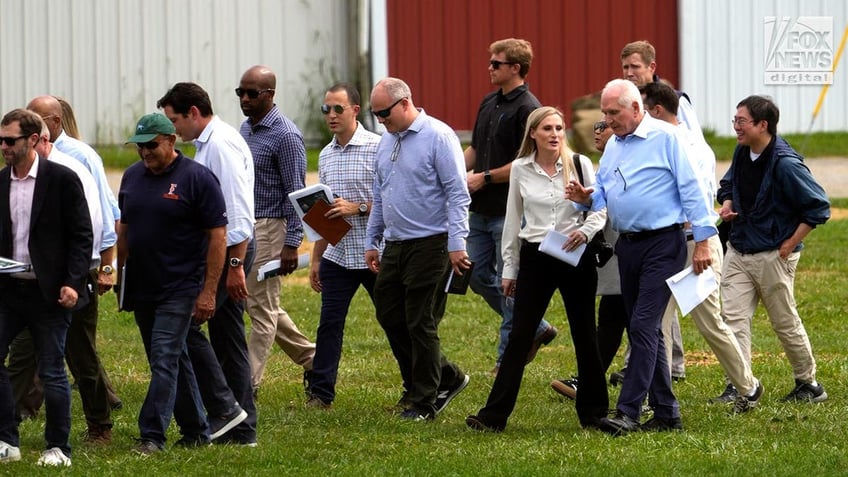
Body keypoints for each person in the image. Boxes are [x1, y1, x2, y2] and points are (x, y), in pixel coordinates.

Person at [566, 79, 717, 435]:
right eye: (604, 112)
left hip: (663, 243)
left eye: (613, 112)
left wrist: (706, 242)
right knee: (645, 329)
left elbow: (692, 189)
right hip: (628, 247)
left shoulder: (666, 138)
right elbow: (604, 191)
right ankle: (667, 413)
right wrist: (587, 197)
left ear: (636, 109)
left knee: (643, 325)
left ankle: (628, 411)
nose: (606, 120)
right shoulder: (614, 145)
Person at [465, 107, 609, 432]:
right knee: (519, 336)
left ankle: (595, 414)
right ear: (533, 133)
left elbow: (601, 211)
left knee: (585, 334)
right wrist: (509, 270)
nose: (555, 134)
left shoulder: (580, 165)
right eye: (547, 128)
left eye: (559, 128)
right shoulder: (520, 168)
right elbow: (513, 221)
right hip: (536, 256)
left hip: (576, 255)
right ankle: (493, 417)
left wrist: (584, 232)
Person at [642, 82, 763, 413]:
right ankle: (659, 399)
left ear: (655, 111)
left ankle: (748, 386)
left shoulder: (687, 145)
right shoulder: (658, 141)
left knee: (709, 321)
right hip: (666, 243)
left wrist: (703, 245)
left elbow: (695, 199)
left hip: (697, 242)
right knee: (658, 324)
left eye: (641, 110)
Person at [10, 95, 120, 442]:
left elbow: (93, 226)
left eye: (22, 142)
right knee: (21, 354)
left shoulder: (73, 169)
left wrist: (97, 269)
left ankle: (99, 423)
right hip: (27, 280)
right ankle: (6, 422)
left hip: (71, 277)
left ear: (42, 139)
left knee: (79, 353)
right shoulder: (17, 177)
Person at [118, 113, 226, 454]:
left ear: (171, 140)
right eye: (139, 147)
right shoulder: (132, 177)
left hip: (181, 286)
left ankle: (152, 435)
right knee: (172, 358)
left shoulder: (197, 179)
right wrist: (117, 272)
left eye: (151, 146)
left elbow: (218, 237)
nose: (145, 153)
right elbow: (124, 228)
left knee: (164, 358)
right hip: (142, 284)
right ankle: (196, 430)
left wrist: (208, 291)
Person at [364, 77, 470, 421]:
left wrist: (457, 243)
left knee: (420, 321)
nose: (381, 120)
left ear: (405, 103)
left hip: (433, 242)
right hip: (396, 243)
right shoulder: (387, 141)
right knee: (389, 314)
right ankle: (446, 377)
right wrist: (372, 239)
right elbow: (380, 195)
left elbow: (457, 193)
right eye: (375, 114)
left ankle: (424, 399)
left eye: (384, 112)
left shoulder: (438, 136)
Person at [157, 83, 257, 445]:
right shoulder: (208, 144)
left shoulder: (221, 145)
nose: (172, 130)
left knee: (216, 335)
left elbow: (239, 216)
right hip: (225, 251)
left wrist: (234, 266)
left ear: (194, 113)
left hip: (232, 250)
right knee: (223, 336)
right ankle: (234, 421)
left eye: (174, 120)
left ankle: (235, 419)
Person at [717, 95, 830, 403]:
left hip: (773, 255)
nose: (736, 127)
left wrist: (789, 244)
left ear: (762, 125)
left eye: (741, 121)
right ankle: (740, 385)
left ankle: (809, 384)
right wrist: (727, 204)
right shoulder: (742, 153)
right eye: (735, 121)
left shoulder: (785, 163)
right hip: (738, 250)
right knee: (733, 320)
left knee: (784, 321)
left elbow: (818, 208)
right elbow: (727, 186)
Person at [0, 108, 93, 466]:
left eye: (11, 141)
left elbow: (81, 237)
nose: (4, 147)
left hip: (51, 293)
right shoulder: (1, 182)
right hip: (10, 290)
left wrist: (72, 282)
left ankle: (58, 448)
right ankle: (7, 439)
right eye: (1, 140)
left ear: (34, 140)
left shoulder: (62, 180)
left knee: (53, 369)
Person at [463, 38, 555, 376]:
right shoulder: (489, 102)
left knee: (509, 281)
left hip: (508, 209)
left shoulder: (529, 108)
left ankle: (506, 359)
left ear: (515, 68)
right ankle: (537, 327)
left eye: (496, 63)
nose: (489, 67)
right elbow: (475, 147)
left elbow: (527, 160)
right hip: (479, 207)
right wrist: (457, 171)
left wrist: (484, 177)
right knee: (473, 274)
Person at [618, 39, 705, 383]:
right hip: (636, 223)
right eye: (625, 67)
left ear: (652, 68)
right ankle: (659, 363)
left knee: (659, 301)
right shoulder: (625, 102)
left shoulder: (673, 101)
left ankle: (667, 365)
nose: (629, 73)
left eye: (635, 67)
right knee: (654, 302)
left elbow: (693, 150)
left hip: (670, 223)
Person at [237, 65, 316, 398]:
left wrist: (291, 244)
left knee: (261, 309)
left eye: (252, 93)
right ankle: (314, 359)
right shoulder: (246, 128)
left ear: (270, 95)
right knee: (259, 303)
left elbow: (297, 192)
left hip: (272, 227)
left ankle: (246, 385)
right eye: (240, 92)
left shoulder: (286, 135)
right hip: (247, 226)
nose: (244, 99)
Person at [304, 83, 383, 409]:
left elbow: (391, 201)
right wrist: (316, 259)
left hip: (374, 252)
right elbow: (325, 212)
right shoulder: (326, 154)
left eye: (338, 108)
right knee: (329, 324)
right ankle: (321, 394)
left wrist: (358, 208)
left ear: (355, 109)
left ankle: (419, 386)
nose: (332, 115)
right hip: (338, 253)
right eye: (327, 109)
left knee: (394, 321)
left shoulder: (378, 147)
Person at [551, 119, 628, 399]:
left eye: (604, 125)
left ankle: (641, 389)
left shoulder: (625, 157)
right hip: (618, 252)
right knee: (612, 316)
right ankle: (588, 381)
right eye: (596, 125)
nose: (597, 131)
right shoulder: (607, 161)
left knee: (630, 320)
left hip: (631, 248)